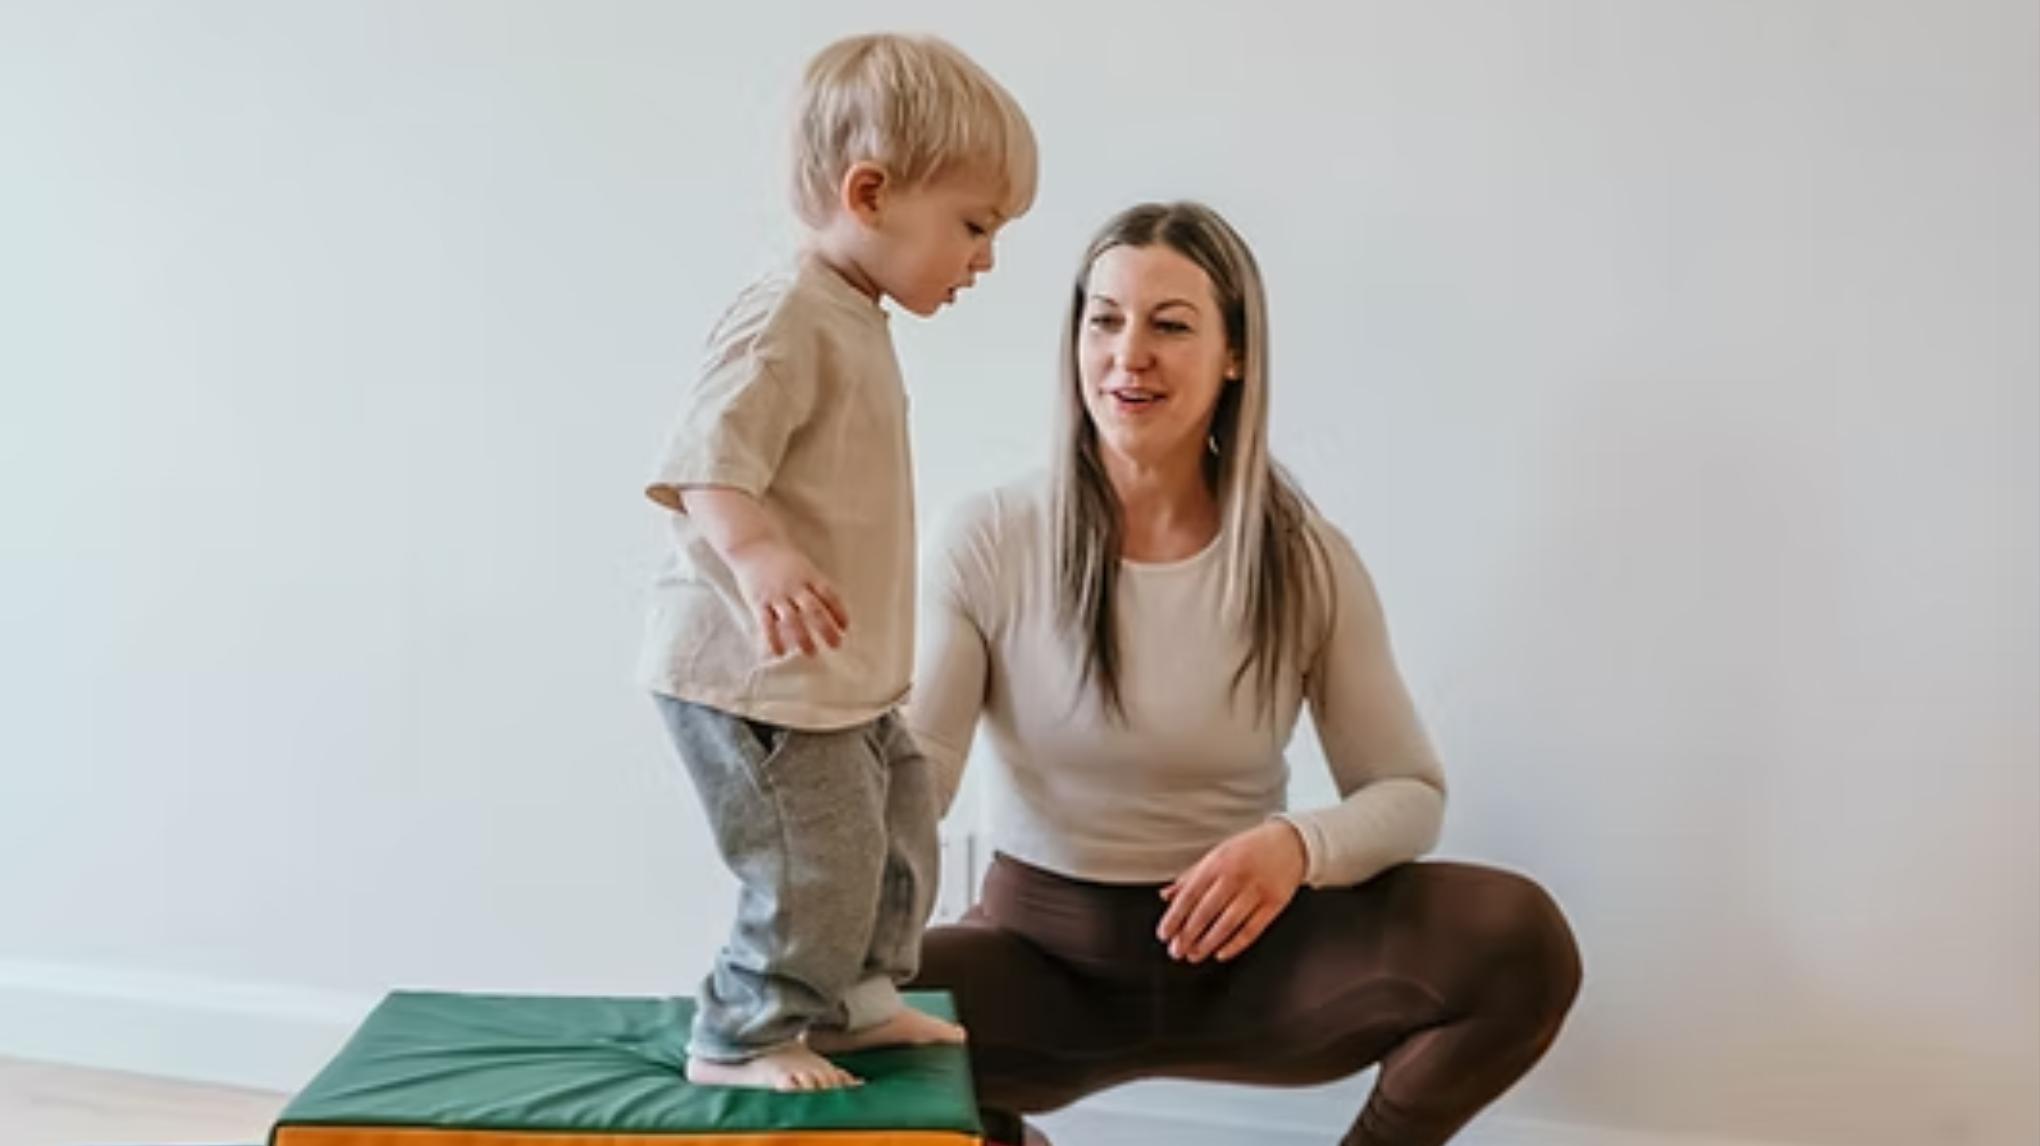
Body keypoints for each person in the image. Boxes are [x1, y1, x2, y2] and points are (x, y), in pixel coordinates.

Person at [906, 201, 1581, 1144]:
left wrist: (1296, 847)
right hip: (1040, 959)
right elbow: (913, 785)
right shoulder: (986, 539)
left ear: (1235, 355)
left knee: (1519, 941)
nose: (1128, 354)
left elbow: (1409, 791)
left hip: (1251, 961)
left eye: (1170, 324)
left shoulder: (1304, 558)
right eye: (1104, 319)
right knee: (826, 1019)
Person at [640, 32, 1036, 1092]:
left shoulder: (853, 315)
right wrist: (760, 556)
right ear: (870, 192)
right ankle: (743, 1029)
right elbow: (707, 464)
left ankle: (854, 996)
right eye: (974, 226)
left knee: (902, 822)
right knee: (811, 863)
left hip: (839, 680)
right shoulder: (784, 317)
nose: (985, 258)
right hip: (753, 675)